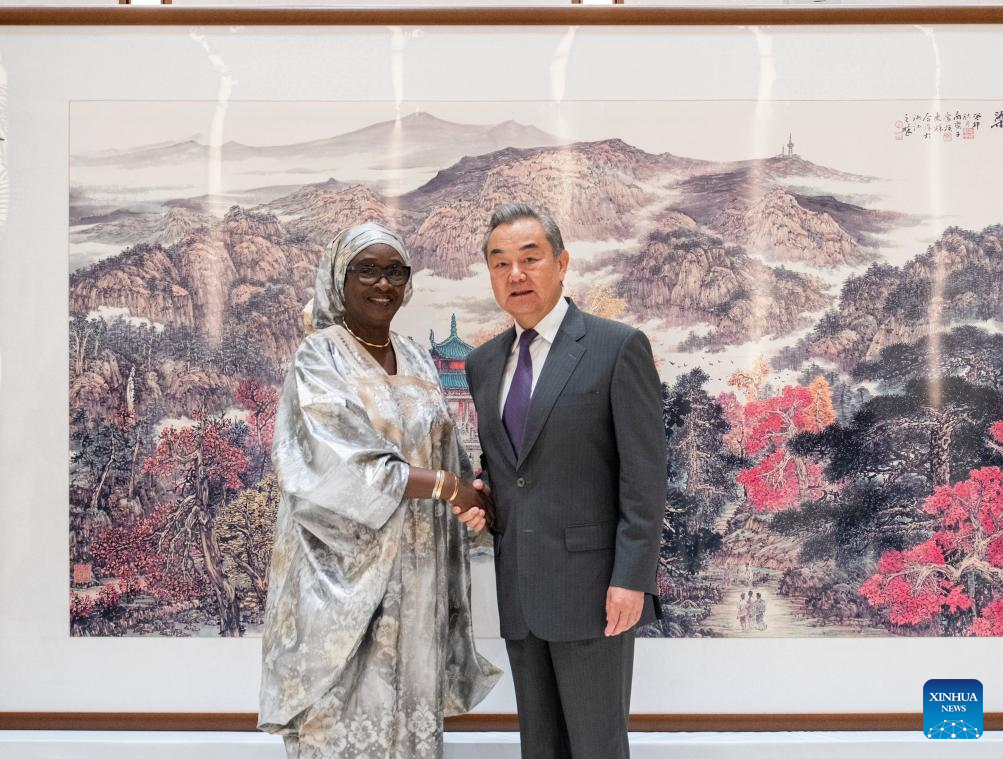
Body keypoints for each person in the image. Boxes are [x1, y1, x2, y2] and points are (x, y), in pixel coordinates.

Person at [258, 222, 501, 759]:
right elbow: (338, 464)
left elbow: (447, 452)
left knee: (409, 727)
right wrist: (449, 487)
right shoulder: (320, 356)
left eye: (395, 271)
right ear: (338, 279)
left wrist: (476, 498)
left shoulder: (417, 356)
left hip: (418, 581)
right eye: (367, 269)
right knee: (342, 725)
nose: (383, 283)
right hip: (341, 581)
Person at [463, 204, 665, 759]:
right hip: (521, 590)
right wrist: (483, 500)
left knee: (597, 746)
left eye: (530, 258)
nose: (516, 274)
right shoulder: (483, 364)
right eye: (500, 263)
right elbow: (509, 470)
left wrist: (631, 579)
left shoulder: (616, 347)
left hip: (596, 593)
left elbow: (645, 478)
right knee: (540, 747)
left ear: (562, 262)